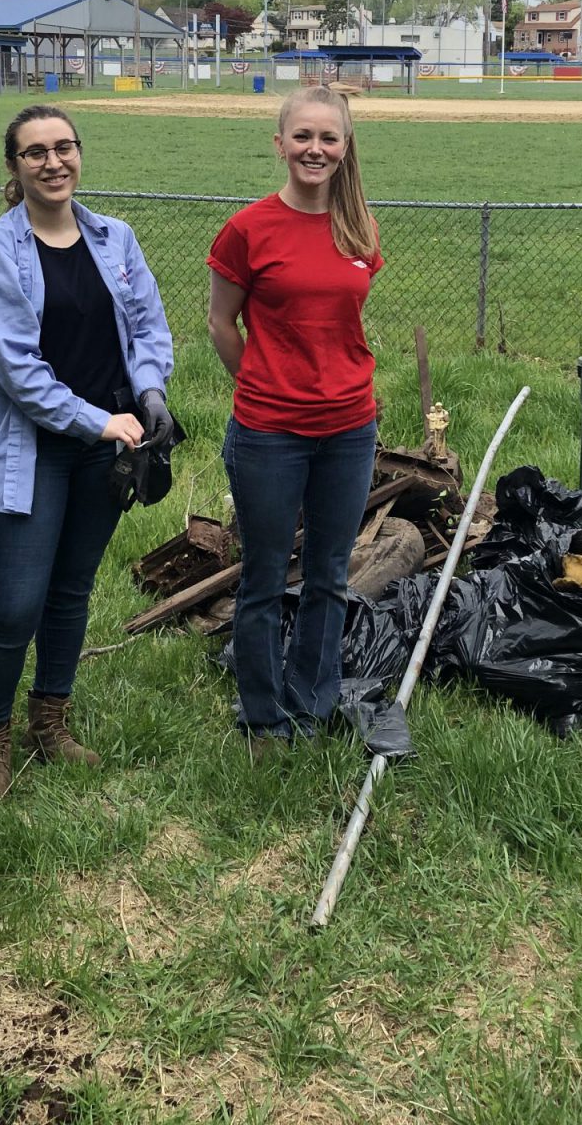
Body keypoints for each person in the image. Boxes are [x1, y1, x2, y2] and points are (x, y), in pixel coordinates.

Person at [0, 105, 175, 797]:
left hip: (109, 445)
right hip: (34, 448)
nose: (53, 163)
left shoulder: (116, 238)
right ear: (13, 166)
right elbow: (17, 372)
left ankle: (49, 722)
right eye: (35, 152)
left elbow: (148, 329)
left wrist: (150, 393)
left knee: (71, 591)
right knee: (16, 605)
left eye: (64, 147)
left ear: (79, 153)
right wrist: (101, 422)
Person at [207, 86, 383, 756]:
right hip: (269, 433)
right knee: (263, 578)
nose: (315, 149)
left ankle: (311, 704)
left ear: (344, 147)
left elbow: (340, 320)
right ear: (279, 144)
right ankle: (263, 717)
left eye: (328, 138)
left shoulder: (359, 228)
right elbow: (221, 323)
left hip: (349, 428)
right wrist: (262, 382)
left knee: (329, 576)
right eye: (302, 136)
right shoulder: (248, 229)